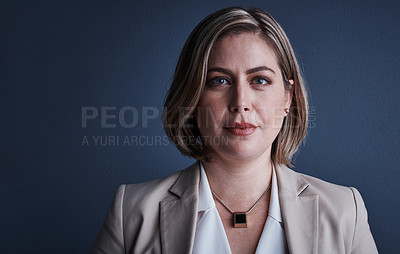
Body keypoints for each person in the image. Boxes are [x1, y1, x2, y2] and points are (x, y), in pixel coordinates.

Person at [90, 7, 378, 254]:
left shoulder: (344, 211)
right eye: (219, 81)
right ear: (192, 97)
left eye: (260, 80)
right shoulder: (131, 212)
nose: (241, 103)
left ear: (288, 97)